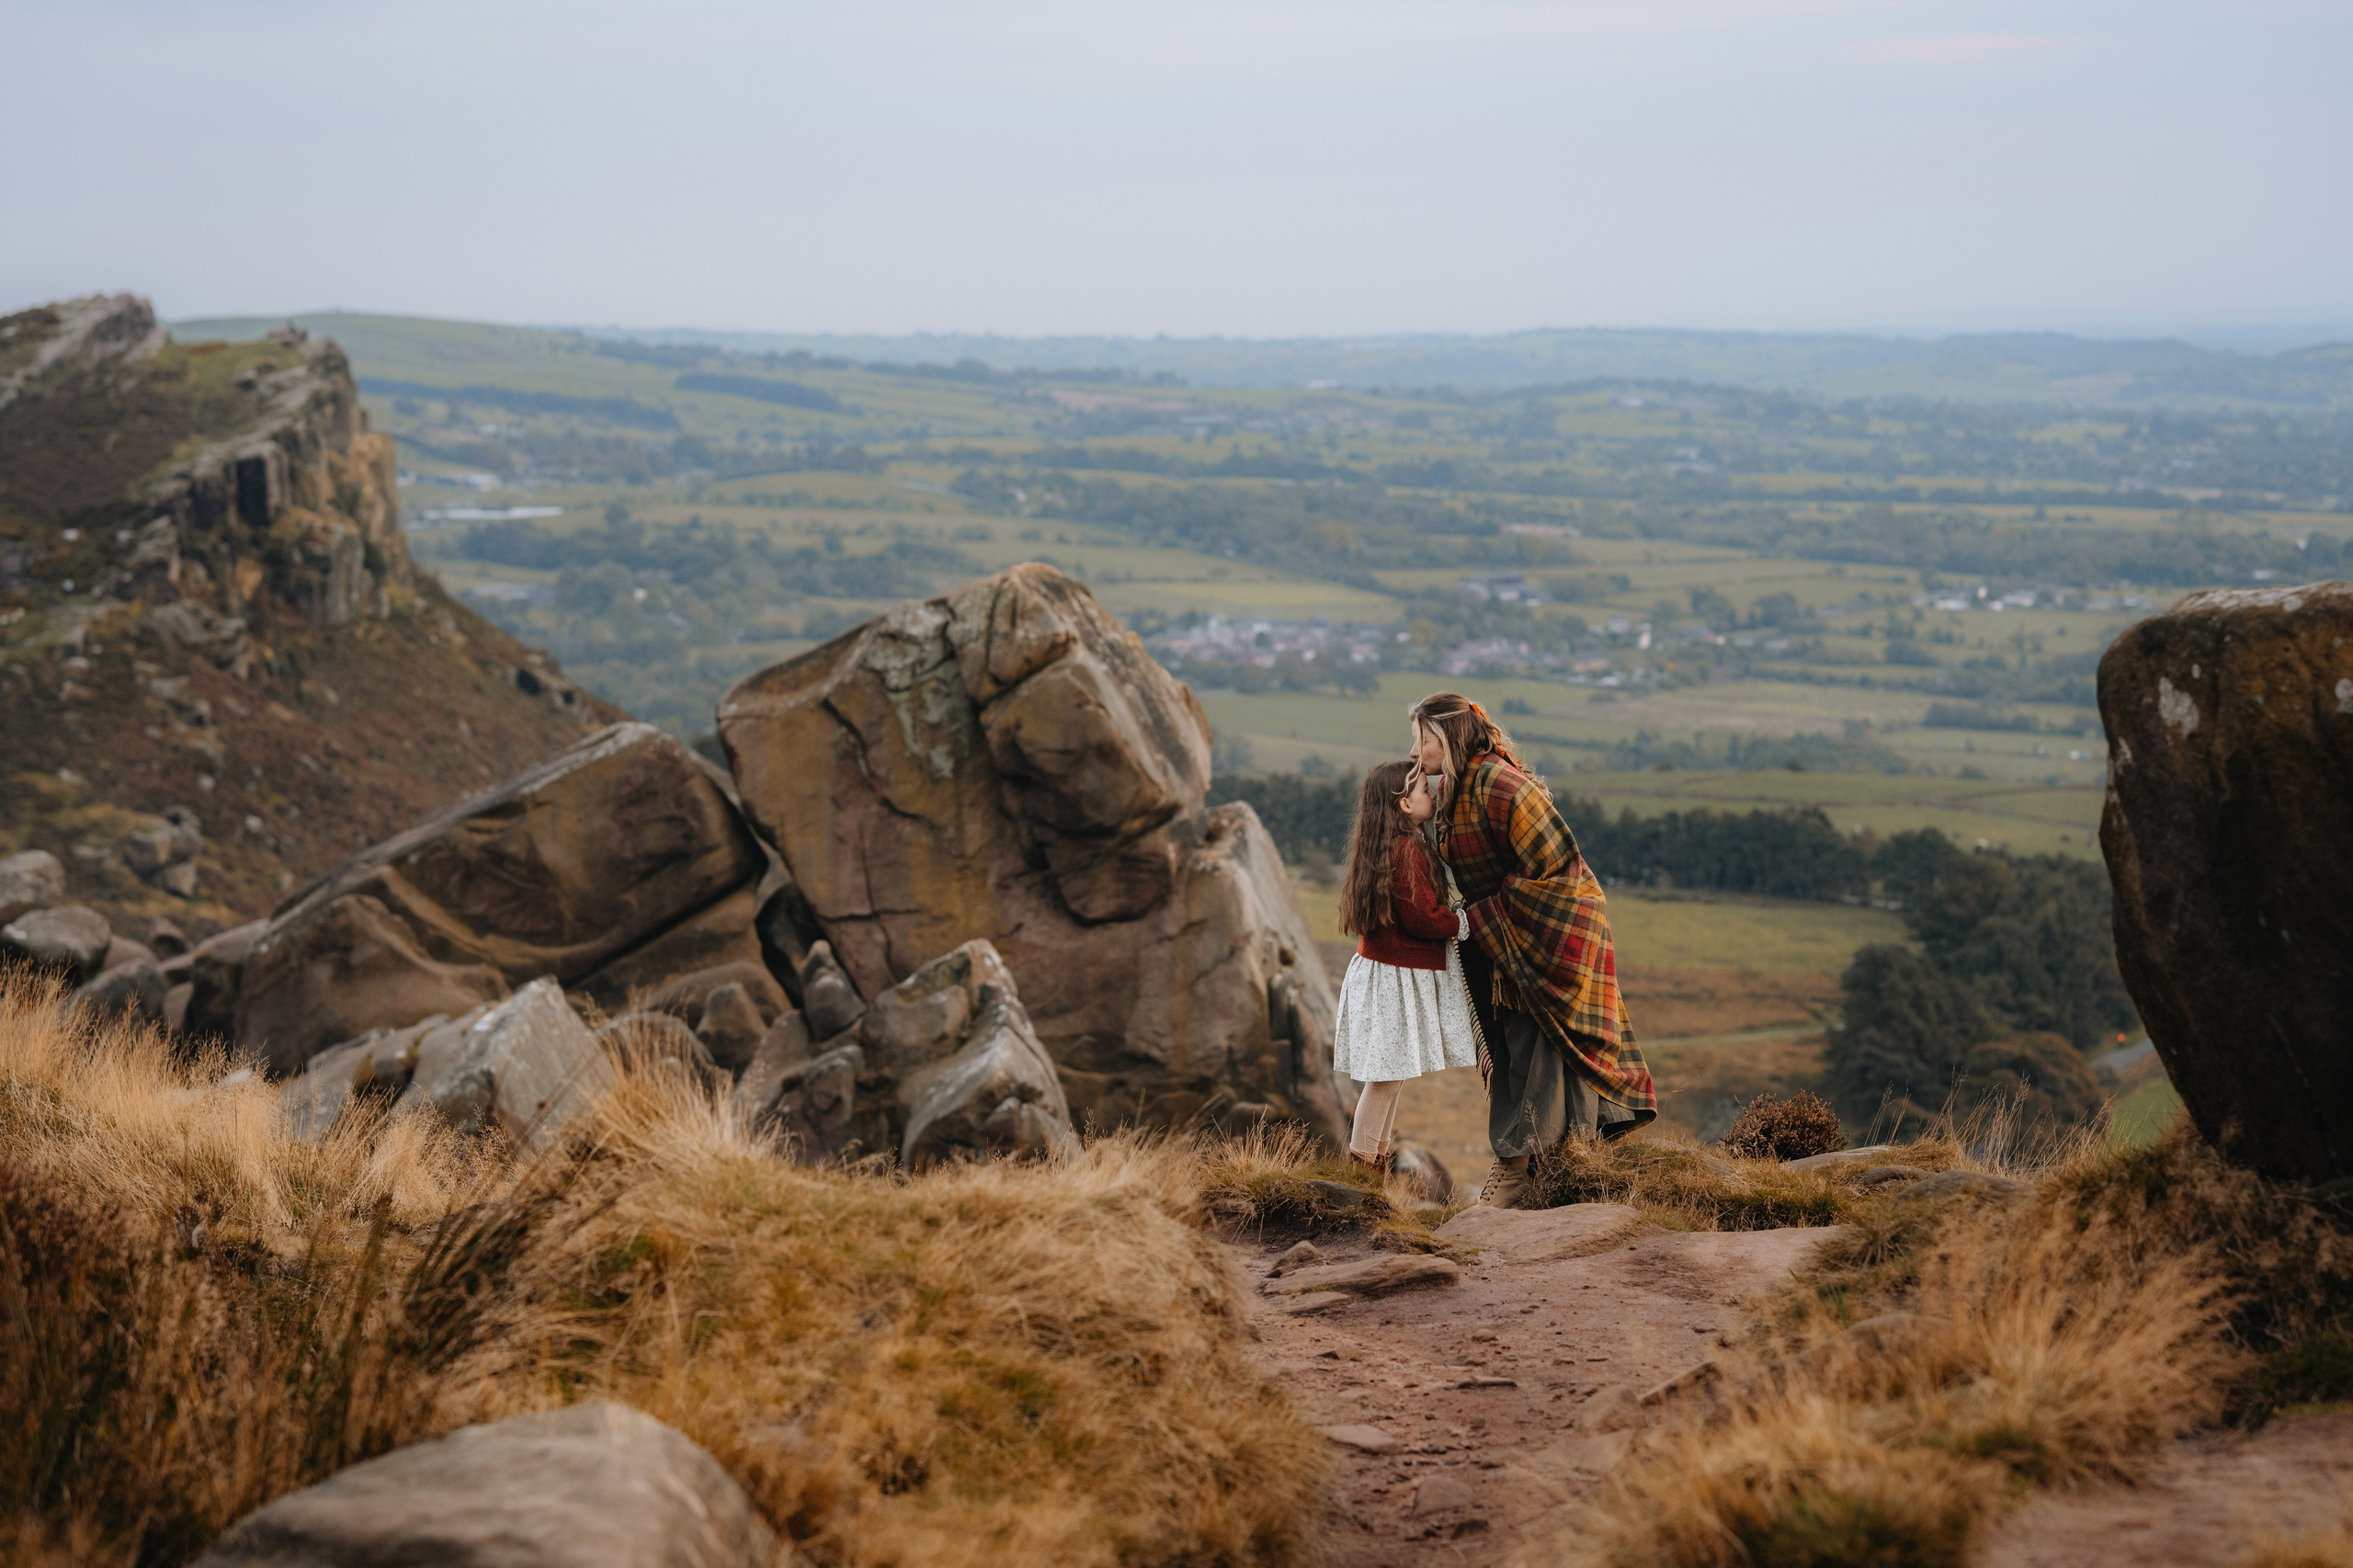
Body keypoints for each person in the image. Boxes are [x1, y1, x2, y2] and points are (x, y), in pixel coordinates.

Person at [1409, 692, 1655, 1208]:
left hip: (1553, 924)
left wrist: (1479, 919)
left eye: (1422, 738)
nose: (1414, 751)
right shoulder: (1458, 787)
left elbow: (1553, 873)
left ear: (1449, 737)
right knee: (1520, 1045)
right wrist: (1425, 818)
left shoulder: (1501, 785)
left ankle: (1516, 1167)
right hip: (1509, 936)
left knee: (1531, 1048)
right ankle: (1557, 1166)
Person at [1329, 758, 1482, 1172]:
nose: (1432, 793)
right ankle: (1362, 1173)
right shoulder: (1406, 849)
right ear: (1403, 804)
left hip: (1385, 975)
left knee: (1389, 1078)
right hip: (1393, 979)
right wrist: (1465, 921)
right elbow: (1421, 918)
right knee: (1384, 1080)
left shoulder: (1389, 844)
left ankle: (1373, 1167)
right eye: (1424, 789)